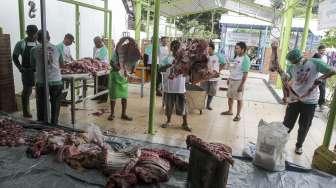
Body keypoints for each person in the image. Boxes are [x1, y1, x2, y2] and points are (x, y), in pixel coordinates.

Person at [277, 49, 335, 155]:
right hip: (294, 99)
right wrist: (282, 76)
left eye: (297, 61)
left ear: (301, 57)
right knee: (287, 123)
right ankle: (280, 143)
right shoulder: (292, 67)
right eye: (294, 62)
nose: (297, 64)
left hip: (310, 101)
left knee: (304, 125)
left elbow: (332, 70)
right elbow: (288, 79)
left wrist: (322, 78)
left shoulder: (315, 62)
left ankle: (299, 145)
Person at [31, 30, 64, 125]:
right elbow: (62, 64)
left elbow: (33, 66)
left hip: (41, 82)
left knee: (41, 104)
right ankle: (54, 123)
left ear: (38, 38)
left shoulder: (34, 50)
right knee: (55, 103)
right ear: (49, 37)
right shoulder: (57, 48)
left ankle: (42, 124)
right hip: (56, 81)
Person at [161, 40, 191, 132]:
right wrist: (170, 66)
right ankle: (168, 121)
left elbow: (188, 70)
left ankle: (185, 123)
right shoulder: (167, 58)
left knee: (183, 105)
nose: (176, 50)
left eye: (177, 47)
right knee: (169, 106)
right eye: (174, 47)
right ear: (172, 49)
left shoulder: (184, 59)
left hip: (180, 87)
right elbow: (160, 68)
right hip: (169, 87)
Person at [12, 25, 38, 118]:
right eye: (30, 33)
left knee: (39, 91)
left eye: (34, 33)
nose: (32, 35)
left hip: (38, 71)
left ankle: (41, 110)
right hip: (26, 71)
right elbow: (14, 56)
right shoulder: (21, 43)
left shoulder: (38, 43)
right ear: (27, 32)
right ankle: (26, 111)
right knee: (27, 91)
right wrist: (20, 68)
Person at [221, 42, 251, 121]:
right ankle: (230, 111)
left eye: (237, 48)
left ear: (243, 49)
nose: (235, 50)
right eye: (236, 48)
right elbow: (234, 68)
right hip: (232, 80)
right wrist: (229, 78)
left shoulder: (246, 59)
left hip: (239, 81)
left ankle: (238, 115)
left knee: (239, 99)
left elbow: (245, 74)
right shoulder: (237, 56)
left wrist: (241, 85)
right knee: (230, 96)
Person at [107, 51, 133, 121]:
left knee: (124, 96)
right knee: (113, 96)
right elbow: (111, 63)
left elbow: (130, 64)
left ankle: (123, 114)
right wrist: (120, 69)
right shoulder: (116, 52)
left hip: (123, 76)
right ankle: (112, 114)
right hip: (115, 76)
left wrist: (128, 71)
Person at [201, 43, 220, 110]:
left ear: (213, 49)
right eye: (207, 49)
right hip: (205, 77)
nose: (208, 50)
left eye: (209, 49)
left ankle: (208, 105)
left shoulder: (215, 58)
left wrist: (210, 76)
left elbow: (215, 71)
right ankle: (201, 104)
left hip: (213, 78)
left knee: (211, 93)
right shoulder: (206, 57)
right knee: (203, 92)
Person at [93, 36, 109, 102]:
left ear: (100, 42)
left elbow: (98, 59)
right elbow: (94, 57)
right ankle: (97, 96)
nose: (95, 45)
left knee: (103, 83)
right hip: (97, 68)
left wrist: (91, 61)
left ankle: (103, 98)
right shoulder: (95, 48)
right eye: (95, 43)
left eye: (96, 43)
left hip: (104, 68)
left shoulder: (104, 49)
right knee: (97, 83)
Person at [315, 45, 328, 111]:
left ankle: (321, 104)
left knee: (322, 90)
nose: (323, 51)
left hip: (323, 76)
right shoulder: (315, 56)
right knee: (314, 90)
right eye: (322, 50)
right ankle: (313, 103)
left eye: (324, 50)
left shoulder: (325, 57)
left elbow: (326, 66)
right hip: (316, 76)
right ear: (318, 50)